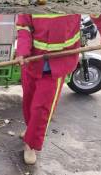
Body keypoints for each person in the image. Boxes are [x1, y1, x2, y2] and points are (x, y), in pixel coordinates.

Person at [15, 14, 82, 165]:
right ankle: (29, 130)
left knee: (41, 108)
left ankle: (30, 144)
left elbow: (98, 14)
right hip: (32, 61)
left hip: (57, 65)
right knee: (29, 102)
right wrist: (22, 51)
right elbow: (24, 26)